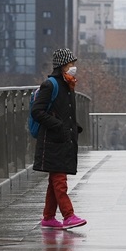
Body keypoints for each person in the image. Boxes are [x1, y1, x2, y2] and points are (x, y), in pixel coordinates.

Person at [32, 48, 86, 229]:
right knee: (59, 180)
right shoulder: (51, 85)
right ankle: (68, 215)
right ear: (62, 65)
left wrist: (73, 126)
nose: (73, 67)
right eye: (71, 64)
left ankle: (48, 217)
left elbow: (65, 113)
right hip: (52, 140)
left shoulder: (68, 84)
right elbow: (37, 111)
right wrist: (59, 125)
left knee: (55, 179)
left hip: (63, 139)